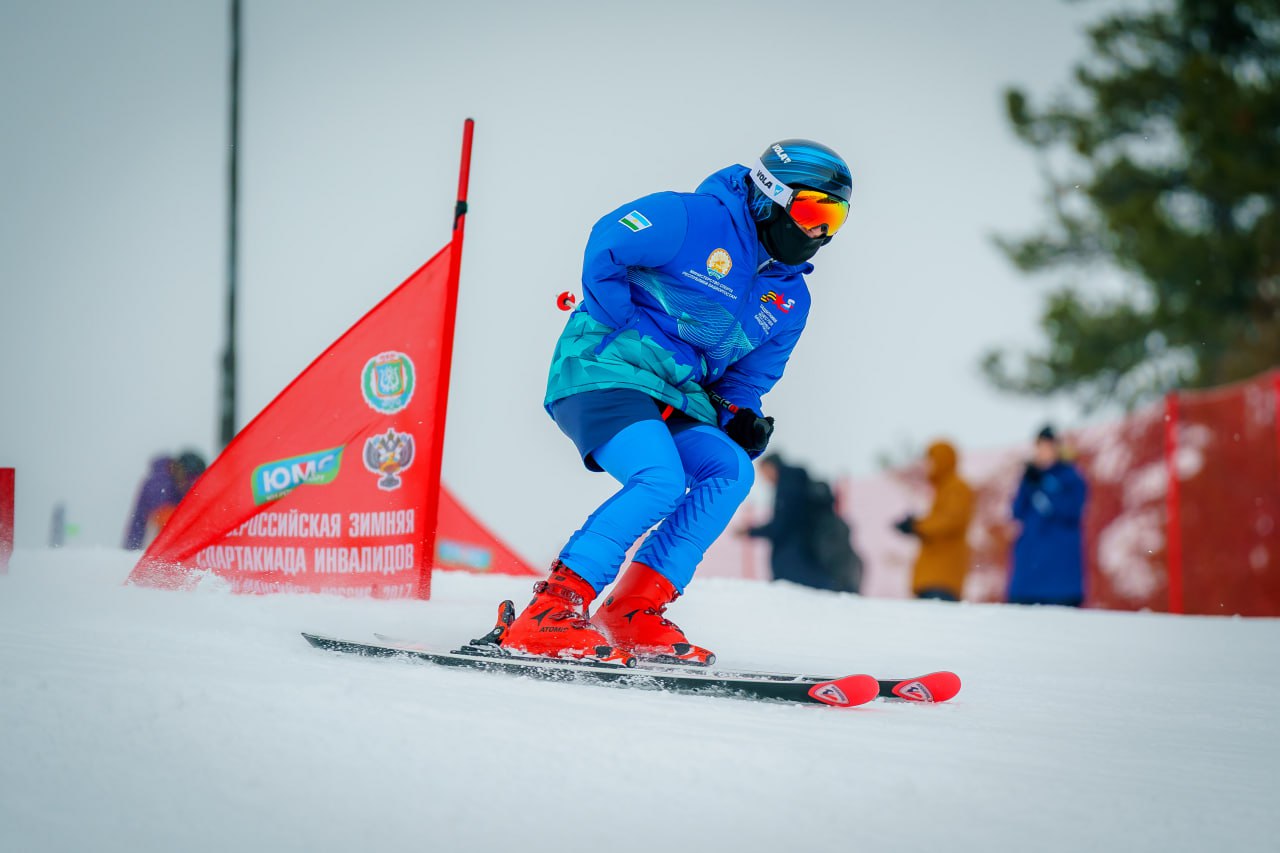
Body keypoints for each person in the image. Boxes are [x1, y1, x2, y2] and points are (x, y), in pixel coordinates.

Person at [497, 139, 854, 664]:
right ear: (769, 197)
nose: (820, 231)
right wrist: (627, 326)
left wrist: (740, 418)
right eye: (811, 211)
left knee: (730, 469)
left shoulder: (790, 299)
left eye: (835, 218)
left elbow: (745, 380)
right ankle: (553, 608)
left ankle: (632, 610)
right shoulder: (691, 218)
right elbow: (606, 246)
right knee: (659, 477)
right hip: (605, 370)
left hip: (676, 395)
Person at [746, 453, 862, 593]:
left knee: (794, 597)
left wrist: (751, 531)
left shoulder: (787, 487)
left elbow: (780, 526)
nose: (764, 477)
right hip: (808, 555)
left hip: (793, 557)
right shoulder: (799, 483)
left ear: (771, 467)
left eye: (763, 471)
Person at [1008, 426, 1088, 606]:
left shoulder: (1070, 477)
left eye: (1047, 447)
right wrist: (1027, 484)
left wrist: (1044, 486)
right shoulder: (1030, 477)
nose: (1042, 452)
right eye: (1039, 447)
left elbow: (1070, 511)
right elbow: (1016, 511)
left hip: (1060, 574)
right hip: (1029, 571)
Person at [892, 440, 974, 601]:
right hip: (933, 574)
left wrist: (917, 526)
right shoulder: (942, 490)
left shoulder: (957, 487)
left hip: (942, 575)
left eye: (931, 460)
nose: (927, 465)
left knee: (935, 622)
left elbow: (950, 521)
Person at [123, 451, 207, 550]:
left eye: (197, 481)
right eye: (189, 478)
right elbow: (160, 520)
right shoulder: (160, 485)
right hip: (150, 545)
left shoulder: (177, 484)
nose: (191, 485)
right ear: (178, 470)